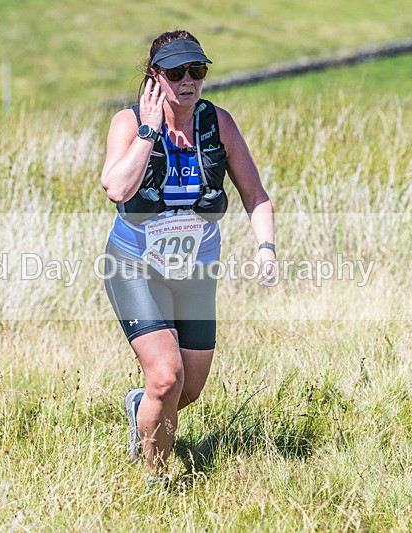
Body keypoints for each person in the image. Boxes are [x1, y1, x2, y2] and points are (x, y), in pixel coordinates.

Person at [100, 31, 277, 484]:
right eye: (176, 71)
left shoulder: (218, 123)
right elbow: (117, 188)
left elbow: (256, 196)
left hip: (196, 270)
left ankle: (140, 408)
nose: (188, 80)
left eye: (196, 70)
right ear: (154, 76)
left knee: (188, 390)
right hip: (135, 266)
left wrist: (266, 247)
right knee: (166, 378)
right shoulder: (128, 122)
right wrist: (148, 131)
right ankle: (156, 483)